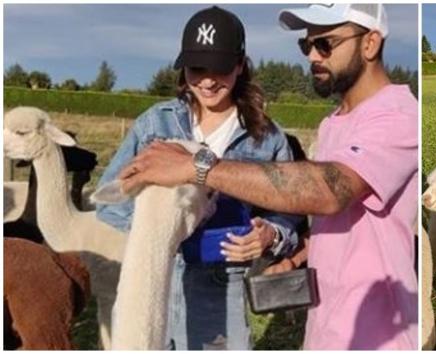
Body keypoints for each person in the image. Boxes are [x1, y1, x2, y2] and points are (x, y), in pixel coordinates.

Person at [117, 3, 418, 350]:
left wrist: (197, 167)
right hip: (327, 328)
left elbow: (330, 190)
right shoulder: (334, 123)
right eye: (307, 45)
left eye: (326, 44)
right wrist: (288, 255)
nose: (312, 57)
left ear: (371, 43)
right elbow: (342, 226)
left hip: (377, 335)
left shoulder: (398, 117)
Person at [95, 6, 303, 350]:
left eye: (219, 68)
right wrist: (163, 230)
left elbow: (289, 210)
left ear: (239, 65)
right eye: (196, 68)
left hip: (222, 286)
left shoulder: (267, 139)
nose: (207, 80)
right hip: (151, 280)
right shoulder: (154, 125)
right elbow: (111, 203)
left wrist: (271, 234)